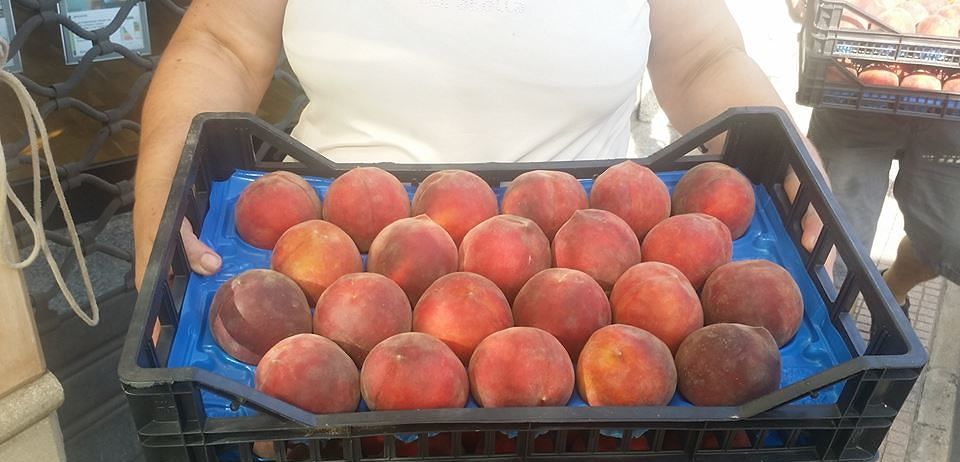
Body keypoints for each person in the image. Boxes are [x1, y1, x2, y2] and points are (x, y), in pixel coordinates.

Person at [132, 0, 827, 287]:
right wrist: (166, 198)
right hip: (331, 263)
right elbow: (222, 41)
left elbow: (701, 57)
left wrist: (794, 169)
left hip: (580, 278)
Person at [808, 108, 960, 315]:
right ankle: (831, 324)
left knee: (948, 241)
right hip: (857, 98)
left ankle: (893, 290)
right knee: (830, 250)